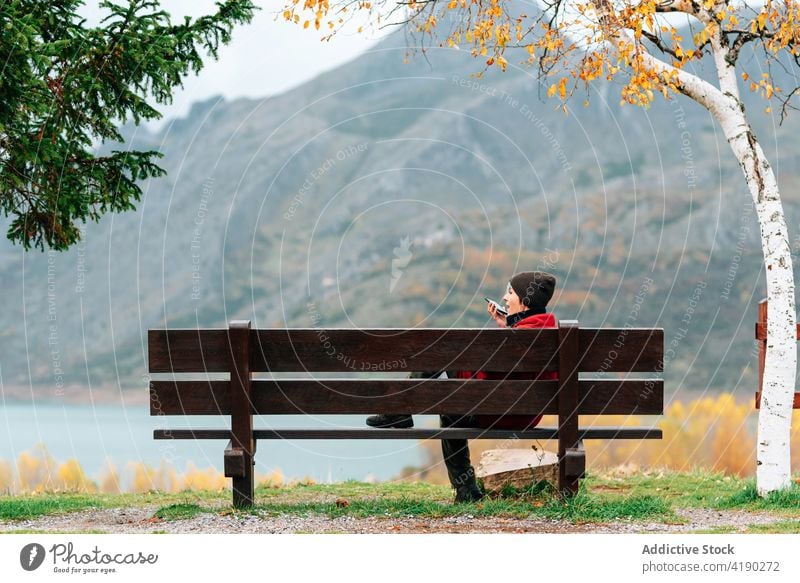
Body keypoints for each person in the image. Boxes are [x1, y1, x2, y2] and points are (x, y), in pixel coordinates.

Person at [366, 271, 558, 503]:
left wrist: (463, 359)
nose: (505, 298)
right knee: (451, 400)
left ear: (525, 302)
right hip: (525, 416)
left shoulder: (518, 337)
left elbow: (489, 372)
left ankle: (399, 411)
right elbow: (510, 370)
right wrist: (506, 327)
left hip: (498, 413)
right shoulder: (549, 332)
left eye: (510, 293)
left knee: (441, 362)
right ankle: (400, 411)